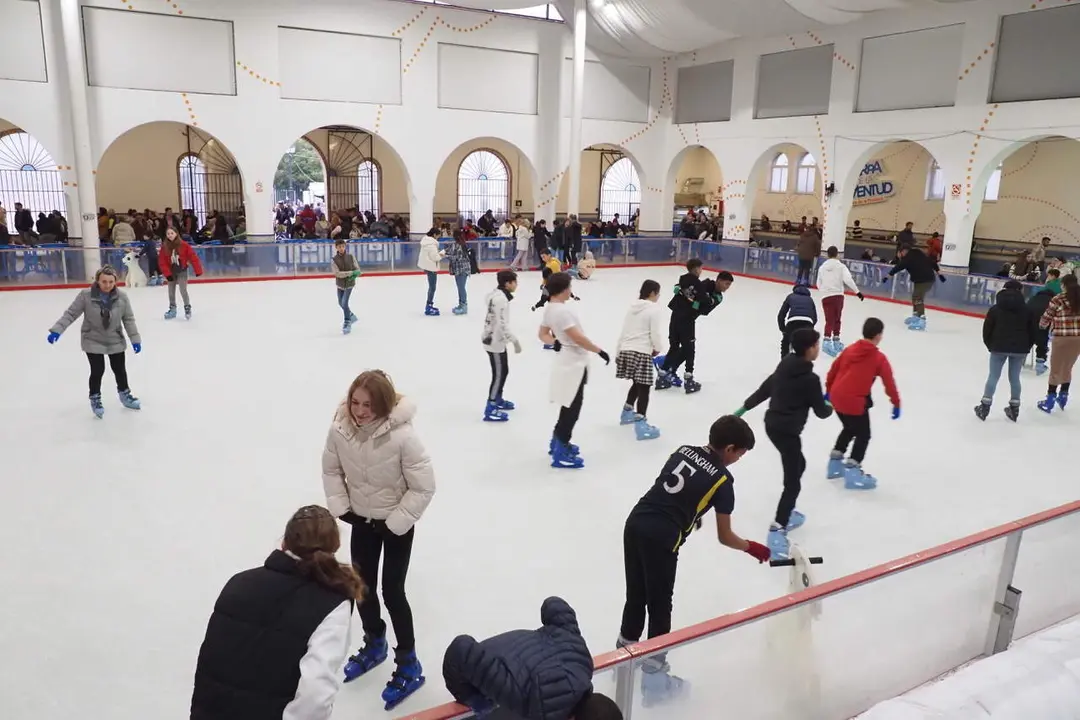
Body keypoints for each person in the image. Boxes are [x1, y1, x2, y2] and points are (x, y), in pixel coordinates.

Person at [617, 416, 769, 705]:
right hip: (662, 538)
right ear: (730, 449)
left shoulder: (683, 451)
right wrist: (751, 547)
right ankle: (655, 683)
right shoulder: (723, 481)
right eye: (740, 453)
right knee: (660, 606)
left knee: (636, 596)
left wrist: (691, 515)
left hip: (635, 522)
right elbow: (725, 536)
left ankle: (622, 663)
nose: (739, 459)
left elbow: (672, 491)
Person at [321, 370, 436, 709]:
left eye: (368, 405)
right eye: (355, 402)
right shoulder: (339, 430)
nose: (359, 411)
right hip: (362, 520)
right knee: (362, 586)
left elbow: (424, 486)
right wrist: (344, 509)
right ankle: (375, 641)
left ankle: (408, 662)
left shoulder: (403, 437)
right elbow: (330, 470)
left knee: (393, 592)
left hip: (396, 523)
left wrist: (397, 522)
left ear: (383, 404)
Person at [190, 505, 363, 720]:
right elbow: (315, 695)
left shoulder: (238, 583)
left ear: (284, 543)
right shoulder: (333, 605)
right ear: (334, 547)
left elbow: (210, 662)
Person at [734, 328, 833, 560]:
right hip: (787, 432)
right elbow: (821, 412)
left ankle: (787, 512)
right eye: (817, 345)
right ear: (809, 349)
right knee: (793, 482)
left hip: (773, 425)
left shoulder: (786, 363)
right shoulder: (810, 380)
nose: (818, 349)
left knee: (800, 465)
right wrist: (832, 404)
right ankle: (778, 526)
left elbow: (766, 387)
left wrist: (744, 408)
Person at [443, 597, 622, 720]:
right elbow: (461, 650)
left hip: (523, 651)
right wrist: (469, 697)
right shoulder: (517, 693)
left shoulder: (582, 662)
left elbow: (555, 606)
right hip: (486, 665)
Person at [47, 265, 142, 418]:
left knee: (120, 370)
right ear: (97, 280)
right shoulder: (86, 295)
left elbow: (128, 320)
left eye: (111, 282)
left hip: (114, 338)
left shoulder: (122, 297)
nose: (108, 285)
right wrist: (57, 330)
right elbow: (71, 314)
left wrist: (135, 340)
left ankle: (125, 395)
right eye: (104, 281)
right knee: (98, 370)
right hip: (93, 338)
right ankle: (95, 398)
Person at [539, 272, 610, 469]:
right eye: (569, 287)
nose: (571, 291)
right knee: (572, 408)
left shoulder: (550, 308)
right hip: (573, 364)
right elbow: (577, 337)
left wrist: (554, 342)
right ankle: (561, 449)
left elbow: (542, 334)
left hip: (567, 362)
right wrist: (599, 351)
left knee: (568, 404)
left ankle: (557, 441)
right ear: (563, 289)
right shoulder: (562, 312)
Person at [824, 318, 900, 489]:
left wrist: (828, 392)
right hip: (854, 401)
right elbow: (889, 382)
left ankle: (834, 464)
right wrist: (896, 403)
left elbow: (833, 370)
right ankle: (852, 471)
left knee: (850, 428)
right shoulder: (879, 358)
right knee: (863, 434)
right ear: (879, 335)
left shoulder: (850, 350)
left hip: (837, 396)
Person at [655, 261, 733, 393]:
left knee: (685, 349)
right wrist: (688, 296)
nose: (727, 287)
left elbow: (704, 309)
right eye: (726, 284)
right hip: (680, 317)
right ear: (718, 280)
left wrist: (692, 300)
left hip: (687, 318)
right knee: (687, 349)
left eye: (729, 285)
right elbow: (686, 289)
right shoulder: (706, 284)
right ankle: (686, 379)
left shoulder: (718, 297)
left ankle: (666, 372)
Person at [973, 279, 1036, 422]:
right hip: (1020, 349)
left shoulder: (995, 309)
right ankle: (1014, 407)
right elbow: (1033, 331)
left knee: (993, 376)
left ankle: (985, 406)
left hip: (998, 347)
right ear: (1020, 291)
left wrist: (991, 345)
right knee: (1014, 378)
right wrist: (1026, 346)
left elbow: (987, 330)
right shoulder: (1027, 310)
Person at [616, 280, 666, 441]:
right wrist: (658, 347)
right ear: (652, 293)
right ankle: (641, 425)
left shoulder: (632, 308)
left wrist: (618, 351)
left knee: (637, 383)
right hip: (641, 349)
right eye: (658, 293)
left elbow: (624, 330)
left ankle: (627, 412)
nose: (658, 297)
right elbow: (655, 332)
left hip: (626, 349)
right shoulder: (653, 309)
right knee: (644, 387)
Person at [481, 270, 522, 422]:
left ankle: (497, 398)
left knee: (503, 371)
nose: (516, 285)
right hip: (494, 341)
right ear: (507, 283)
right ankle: (490, 407)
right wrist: (515, 340)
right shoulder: (501, 300)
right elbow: (502, 324)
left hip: (494, 339)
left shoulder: (496, 295)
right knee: (499, 374)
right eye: (514, 282)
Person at [1037, 274, 1080, 413]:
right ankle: (1063, 395)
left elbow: (1047, 316)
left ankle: (1049, 399)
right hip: (1078, 338)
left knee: (1056, 368)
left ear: (1064, 285)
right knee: (1067, 367)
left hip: (1061, 337)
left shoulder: (1058, 299)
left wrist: (1042, 325)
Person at [816, 246, 864, 356]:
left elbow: (818, 283)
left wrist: (824, 291)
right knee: (837, 318)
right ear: (837, 254)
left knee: (829, 319)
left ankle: (827, 340)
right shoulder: (841, 266)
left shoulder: (822, 267)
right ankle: (835, 340)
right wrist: (857, 292)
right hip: (838, 295)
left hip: (826, 296)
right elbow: (848, 280)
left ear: (827, 255)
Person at [883, 245, 944, 331]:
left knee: (918, 297)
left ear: (903, 251)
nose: (898, 256)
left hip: (925, 280)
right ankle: (916, 316)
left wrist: (887, 277)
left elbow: (897, 268)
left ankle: (922, 320)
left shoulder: (907, 259)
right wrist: (939, 273)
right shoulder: (918, 253)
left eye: (898, 253)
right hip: (922, 279)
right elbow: (931, 262)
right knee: (915, 296)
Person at [159, 226, 204, 320]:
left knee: (183, 290)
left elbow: (193, 257)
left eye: (172, 233)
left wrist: (198, 270)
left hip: (182, 271)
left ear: (176, 233)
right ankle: (172, 309)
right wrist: (167, 274)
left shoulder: (184, 245)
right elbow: (162, 261)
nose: (170, 235)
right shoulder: (165, 247)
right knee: (171, 291)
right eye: (168, 234)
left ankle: (187, 307)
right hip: (171, 272)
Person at [1028, 269, 1061, 376]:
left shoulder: (1034, 298)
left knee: (1027, 338)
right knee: (1042, 341)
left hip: (1029, 321)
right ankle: (1040, 365)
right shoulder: (1054, 298)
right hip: (1043, 323)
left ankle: (1020, 359)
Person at [777, 281, 818, 358]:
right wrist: (810, 328)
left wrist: (783, 329)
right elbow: (815, 318)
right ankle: (804, 366)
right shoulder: (810, 299)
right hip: (808, 322)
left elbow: (781, 315)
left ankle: (784, 364)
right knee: (806, 347)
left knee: (785, 344)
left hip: (793, 322)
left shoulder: (790, 296)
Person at [331, 238, 361, 334]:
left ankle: (347, 321)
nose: (341, 248)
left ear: (345, 246)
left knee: (344, 303)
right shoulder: (334, 260)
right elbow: (337, 273)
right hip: (340, 284)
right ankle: (351, 315)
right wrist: (350, 273)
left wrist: (355, 274)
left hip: (349, 284)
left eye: (343, 246)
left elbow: (358, 269)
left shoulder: (351, 257)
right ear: (336, 247)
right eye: (339, 247)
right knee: (340, 303)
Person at [418, 227, 446, 316]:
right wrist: (443, 253)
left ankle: (429, 305)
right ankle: (429, 305)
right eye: (438, 236)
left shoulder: (426, 242)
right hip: (431, 267)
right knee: (432, 287)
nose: (438, 238)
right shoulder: (431, 245)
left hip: (427, 266)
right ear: (434, 235)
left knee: (432, 287)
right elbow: (436, 257)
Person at [446, 229, 473, 315]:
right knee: (460, 287)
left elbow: (457, 257)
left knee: (461, 288)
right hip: (461, 269)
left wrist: (446, 256)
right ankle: (461, 305)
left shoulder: (458, 245)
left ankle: (464, 306)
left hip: (461, 269)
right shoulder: (462, 243)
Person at [531, 249, 565, 315]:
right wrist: (543, 283)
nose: (543, 259)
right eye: (542, 257)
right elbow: (546, 276)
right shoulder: (548, 263)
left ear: (549, 255)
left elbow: (557, 276)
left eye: (544, 257)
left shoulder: (554, 264)